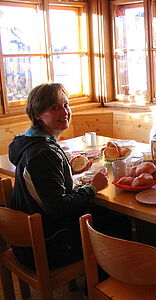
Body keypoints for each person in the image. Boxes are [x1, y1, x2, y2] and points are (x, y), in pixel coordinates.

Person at [9, 83, 131, 270]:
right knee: (117, 221)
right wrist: (92, 188)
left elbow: (43, 182)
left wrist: (67, 171)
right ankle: (102, 285)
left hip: (30, 239)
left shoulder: (29, 143)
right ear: (37, 114)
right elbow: (59, 207)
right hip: (46, 246)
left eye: (66, 105)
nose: (64, 112)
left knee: (104, 213)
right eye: (55, 108)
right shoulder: (42, 153)